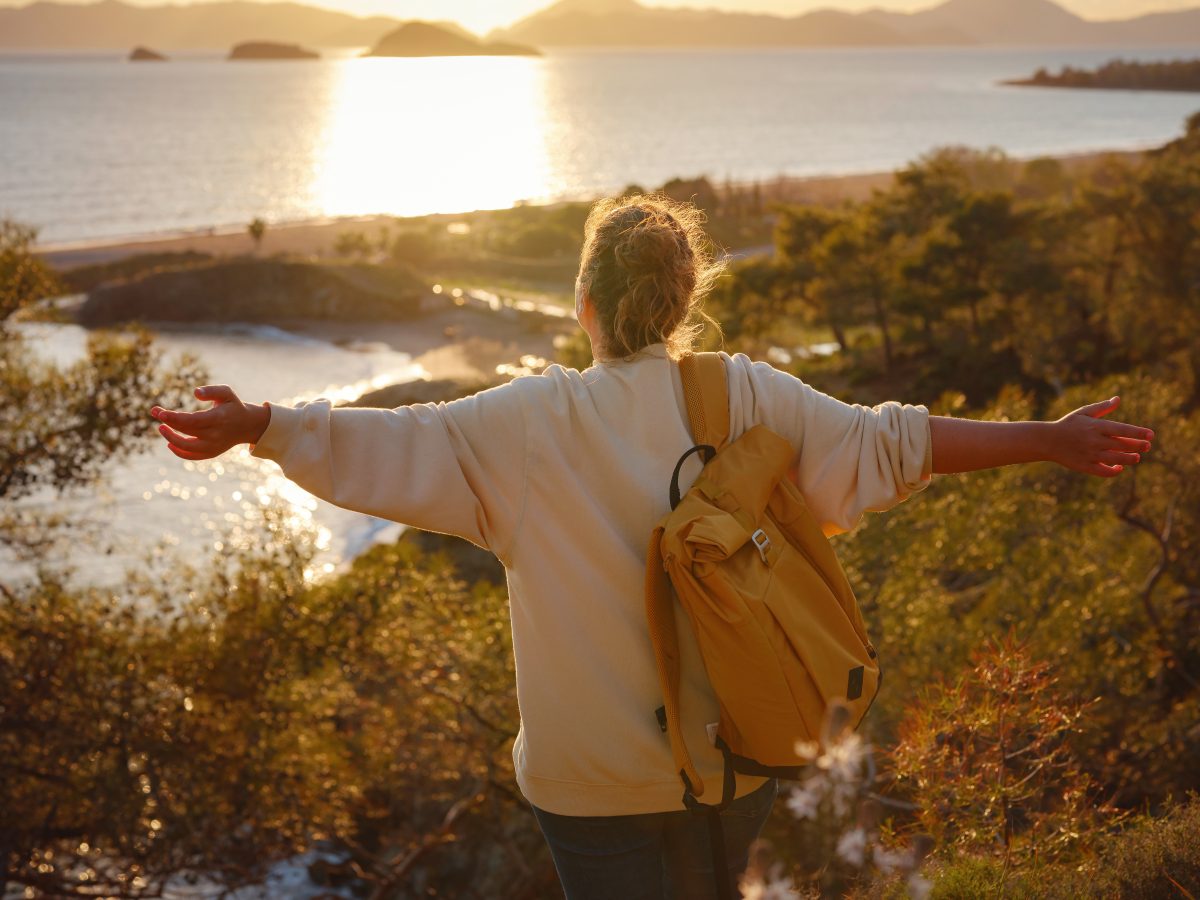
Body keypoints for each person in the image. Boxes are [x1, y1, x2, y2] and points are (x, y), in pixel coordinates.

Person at [149, 195, 1154, 899]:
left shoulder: (526, 425)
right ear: (682, 302)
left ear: (584, 304)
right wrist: (1049, 440)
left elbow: (389, 445)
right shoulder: (744, 393)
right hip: (736, 757)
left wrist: (264, 424)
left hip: (590, 783)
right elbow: (893, 442)